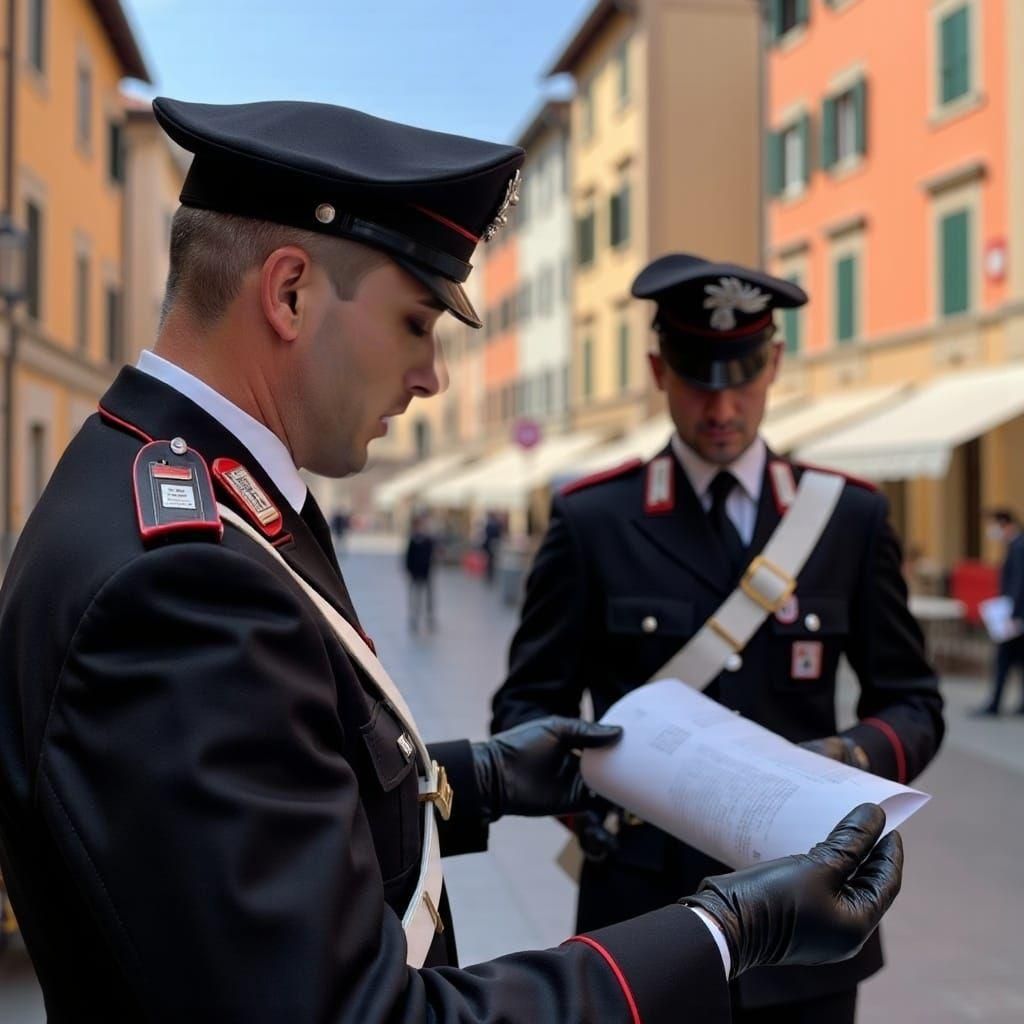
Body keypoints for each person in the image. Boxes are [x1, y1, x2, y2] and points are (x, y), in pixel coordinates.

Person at [0, 105, 903, 1022]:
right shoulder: (185, 582)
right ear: (290, 294)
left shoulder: (173, 487)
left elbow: (281, 800)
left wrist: (482, 777)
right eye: (415, 322)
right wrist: (727, 930)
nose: (432, 374)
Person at [491, 253, 944, 1024]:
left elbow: (913, 702)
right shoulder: (594, 519)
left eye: (743, 376)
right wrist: (594, 806)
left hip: (809, 917)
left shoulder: (848, 517)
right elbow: (526, 710)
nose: (723, 406)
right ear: (658, 371)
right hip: (644, 921)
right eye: (699, 379)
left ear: (774, 364)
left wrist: (849, 760)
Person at [975, 508, 1024, 715]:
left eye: (994, 525)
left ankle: (994, 704)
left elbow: (1019, 583)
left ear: (1005, 524)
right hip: (1014, 613)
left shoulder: (1019, 546)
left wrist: (1013, 615)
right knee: (1017, 659)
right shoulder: (1015, 545)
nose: (992, 531)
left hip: (1015, 615)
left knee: (1003, 659)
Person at [405, 511, 437, 632]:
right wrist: (409, 570)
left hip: (426, 572)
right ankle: (414, 616)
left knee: (427, 597)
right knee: (415, 596)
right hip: (415, 573)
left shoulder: (428, 540)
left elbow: (432, 556)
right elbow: (408, 557)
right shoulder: (413, 540)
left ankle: (429, 617)